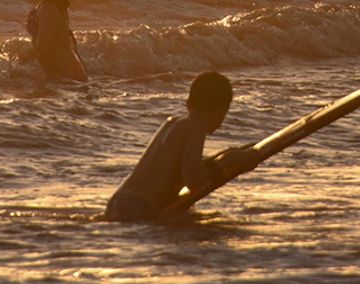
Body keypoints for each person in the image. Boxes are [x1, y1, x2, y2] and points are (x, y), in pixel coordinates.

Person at [104, 71, 262, 222]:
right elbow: (193, 179)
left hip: (120, 200)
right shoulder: (196, 127)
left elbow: (188, 167)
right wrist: (228, 160)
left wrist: (229, 153)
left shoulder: (174, 123)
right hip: (139, 207)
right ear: (222, 109)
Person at [26, 0, 87, 82]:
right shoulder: (49, 6)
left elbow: (42, 48)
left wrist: (19, 60)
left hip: (68, 76)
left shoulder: (48, 8)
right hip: (68, 75)